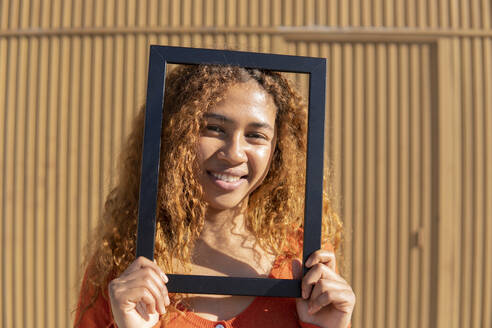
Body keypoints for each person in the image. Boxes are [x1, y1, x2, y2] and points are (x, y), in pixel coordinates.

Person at [74, 64, 355, 328]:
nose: (234, 153)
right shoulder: (124, 265)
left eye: (256, 135)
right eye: (214, 128)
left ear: (277, 151)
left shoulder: (302, 261)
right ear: (177, 135)